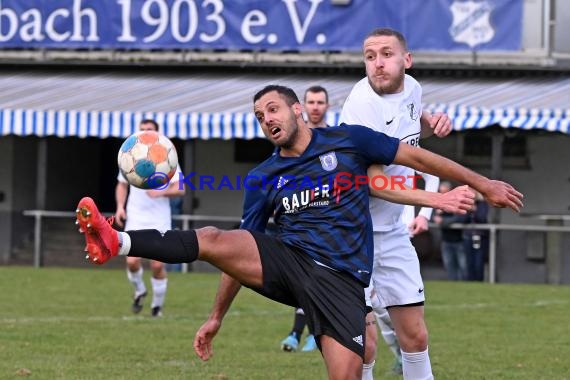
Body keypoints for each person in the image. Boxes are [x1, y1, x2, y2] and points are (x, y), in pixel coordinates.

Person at [76, 85, 522, 380]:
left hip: (342, 279)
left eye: (272, 108)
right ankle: (119, 240)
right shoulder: (263, 177)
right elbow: (236, 253)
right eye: (258, 115)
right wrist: (216, 318)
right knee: (214, 237)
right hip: (289, 262)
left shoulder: (348, 140)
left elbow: (418, 161)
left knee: (347, 372)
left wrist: (481, 184)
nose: (266, 118)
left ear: (296, 110)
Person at [339, 27, 454, 379]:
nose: (377, 63)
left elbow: (411, 123)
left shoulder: (413, 87)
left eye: (386, 54)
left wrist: (433, 123)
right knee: (365, 345)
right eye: (370, 56)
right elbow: (373, 182)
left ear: (407, 60)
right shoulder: (361, 106)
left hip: (391, 232)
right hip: (352, 235)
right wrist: (435, 199)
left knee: (416, 337)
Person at [114, 119, 185, 316]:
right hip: (135, 216)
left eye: (149, 129)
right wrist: (120, 207)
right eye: (142, 129)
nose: (145, 132)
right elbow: (121, 184)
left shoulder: (166, 157)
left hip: (159, 218)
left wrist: (161, 193)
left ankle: (156, 307)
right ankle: (139, 290)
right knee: (131, 262)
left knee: (156, 264)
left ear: (157, 134)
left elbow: (181, 188)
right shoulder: (131, 155)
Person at [280, 85, 330, 353]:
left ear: (327, 106)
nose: (315, 106)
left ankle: (310, 334)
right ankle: (301, 334)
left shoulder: (334, 138)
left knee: (319, 279)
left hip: (328, 220)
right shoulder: (292, 139)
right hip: (300, 218)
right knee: (303, 280)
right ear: (301, 107)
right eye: (311, 101)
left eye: (320, 102)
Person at [433, 181, 469, 281]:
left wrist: (443, 221)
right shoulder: (439, 204)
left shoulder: (458, 202)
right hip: (446, 241)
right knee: (449, 266)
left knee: (463, 267)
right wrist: (439, 215)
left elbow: (461, 218)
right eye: (441, 192)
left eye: (444, 192)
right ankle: (453, 285)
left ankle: (465, 287)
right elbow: (433, 218)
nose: (442, 195)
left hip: (459, 240)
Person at [463, 192, 489, 281]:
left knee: (478, 261)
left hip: (479, 236)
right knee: (469, 261)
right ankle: (470, 281)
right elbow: (462, 219)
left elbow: (482, 218)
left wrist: (474, 209)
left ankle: (479, 281)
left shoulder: (482, 204)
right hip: (467, 236)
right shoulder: (465, 204)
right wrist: (469, 209)